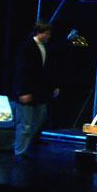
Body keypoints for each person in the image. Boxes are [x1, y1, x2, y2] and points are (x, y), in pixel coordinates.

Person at [12, 20, 60, 159]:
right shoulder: (27, 47)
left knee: (38, 121)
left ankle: (20, 145)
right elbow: (21, 70)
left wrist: (53, 86)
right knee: (25, 123)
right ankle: (20, 151)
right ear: (39, 32)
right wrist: (22, 92)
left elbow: (47, 70)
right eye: (47, 33)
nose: (49, 36)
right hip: (27, 92)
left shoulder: (45, 48)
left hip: (40, 93)